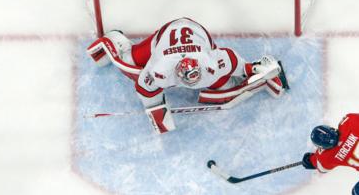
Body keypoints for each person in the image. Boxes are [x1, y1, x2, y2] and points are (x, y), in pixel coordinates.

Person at [86, 17, 287, 134]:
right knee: (130, 63)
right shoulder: (161, 69)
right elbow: (143, 86)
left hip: (196, 32)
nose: (195, 83)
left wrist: (253, 69)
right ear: (177, 74)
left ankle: (244, 84)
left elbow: (233, 60)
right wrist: (157, 112)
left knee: (224, 88)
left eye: (196, 78)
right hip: (166, 35)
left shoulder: (210, 63)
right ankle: (115, 40)